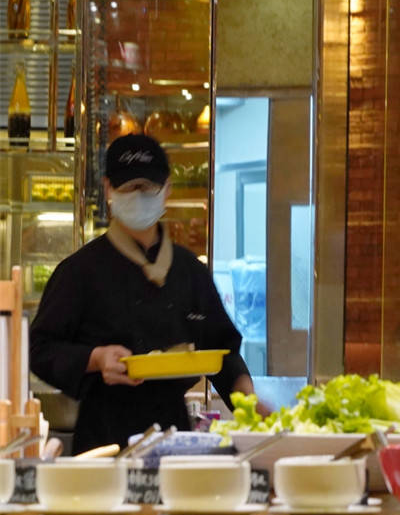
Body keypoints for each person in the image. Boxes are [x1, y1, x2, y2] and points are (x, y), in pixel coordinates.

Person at [29, 133, 262, 453]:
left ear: (166, 191)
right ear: (109, 190)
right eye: (128, 188)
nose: (138, 196)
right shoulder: (79, 271)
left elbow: (223, 351)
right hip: (105, 439)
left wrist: (251, 407)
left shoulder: (188, 269)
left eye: (147, 188)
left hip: (175, 438)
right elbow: (40, 349)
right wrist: (95, 359)